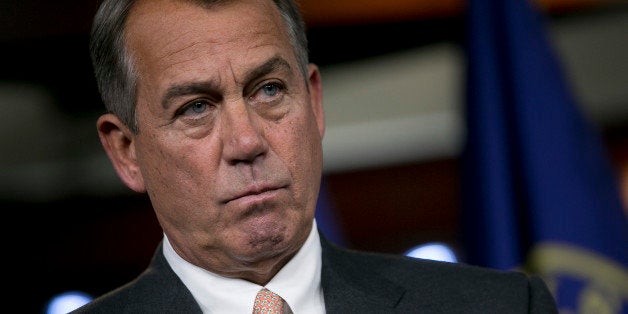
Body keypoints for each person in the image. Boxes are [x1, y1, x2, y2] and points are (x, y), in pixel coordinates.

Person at [73, 0, 559, 313]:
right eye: (195, 107)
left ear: (314, 102)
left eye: (268, 90)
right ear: (127, 151)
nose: (247, 143)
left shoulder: (504, 307)